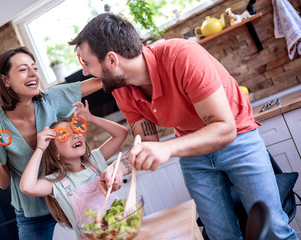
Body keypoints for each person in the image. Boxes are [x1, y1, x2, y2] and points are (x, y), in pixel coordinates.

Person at [68, 13, 298, 240]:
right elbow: (147, 142)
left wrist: (169, 148)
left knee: (272, 230)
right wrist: (120, 168)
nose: (86, 72)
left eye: (86, 64)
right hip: (194, 156)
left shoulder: (182, 55)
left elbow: (225, 129)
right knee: (220, 235)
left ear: (111, 60)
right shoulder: (120, 87)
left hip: (239, 139)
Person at [0, 46, 102, 240]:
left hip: (70, 198)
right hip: (33, 213)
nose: (33, 73)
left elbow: (102, 81)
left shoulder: (51, 99)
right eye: (23, 69)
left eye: (34, 68)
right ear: (5, 80)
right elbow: (2, 183)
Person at [19, 100, 128, 238]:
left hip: (123, 231)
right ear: (55, 153)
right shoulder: (56, 182)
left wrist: (91, 119)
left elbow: (122, 133)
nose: (75, 135)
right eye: (65, 135)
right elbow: (27, 187)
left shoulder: (95, 161)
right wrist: (41, 148)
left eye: (75, 131)